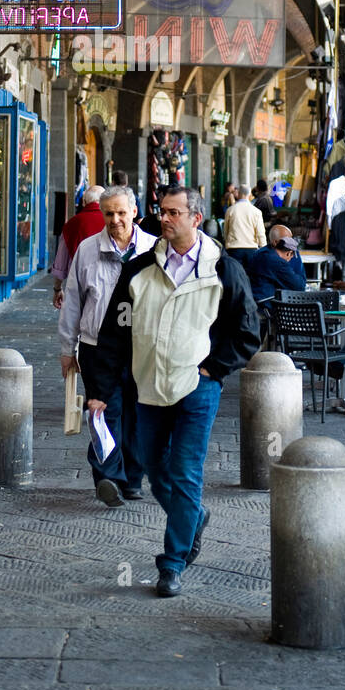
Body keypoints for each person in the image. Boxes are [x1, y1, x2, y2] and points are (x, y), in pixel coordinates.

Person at [86, 185, 260, 598]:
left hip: (197, 388)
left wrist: (213, 369)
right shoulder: (139, 268)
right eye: (161, 212)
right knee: (150, 466)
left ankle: (173, 562)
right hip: (148, 386)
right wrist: (101, 389)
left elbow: (248, 331)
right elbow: (114, 332)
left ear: (195, 219)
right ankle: (193, 515)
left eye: (173, 213)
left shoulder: (224, 269)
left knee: (184, 471)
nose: (163, 218)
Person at [59, 185, 156, 507]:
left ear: (134, 213)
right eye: (109, 213)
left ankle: (132, 480)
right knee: (104, 411)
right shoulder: (87, 249)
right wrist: (66, 348)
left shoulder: (155, 250)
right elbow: (73, 300)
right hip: (97, 346)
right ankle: (107, 477)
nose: (115, 219)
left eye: (121, 213)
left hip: (142, 348)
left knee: (138, 415)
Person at [51, 185, 106, 308]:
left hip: (77, 287)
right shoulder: (112, 223)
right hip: (107, 287)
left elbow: (61, 263)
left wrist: (57, 289)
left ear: (84, 201)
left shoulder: (71, 224)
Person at [243, 224, 307, 303]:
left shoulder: (261, 252)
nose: (291, 243)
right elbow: (299, 287)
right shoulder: (275, 260)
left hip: (257, 301)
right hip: (267, 305)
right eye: (287, 240)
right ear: (275, 242)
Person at [223, 184, 267, 264]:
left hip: (233, 249)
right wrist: (264, 248)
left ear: (239, 193)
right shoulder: (256, 212)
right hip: (251, 249)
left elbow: (226, 231)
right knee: (251, 275)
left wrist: (227, 243)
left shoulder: (230, 210)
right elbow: (260, 233)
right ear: (249, 195)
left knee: (235, 274)